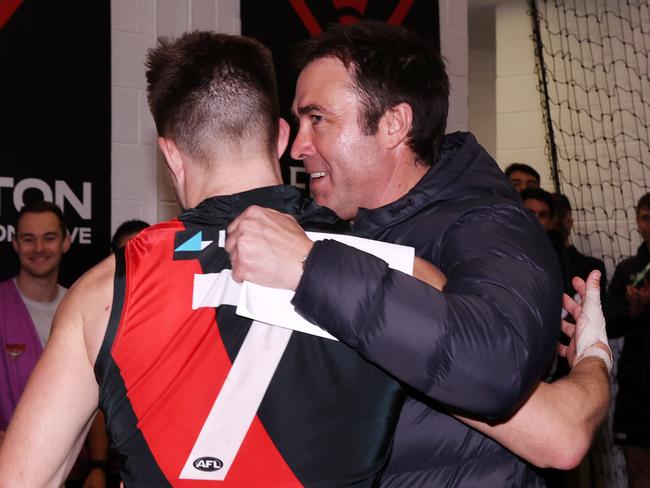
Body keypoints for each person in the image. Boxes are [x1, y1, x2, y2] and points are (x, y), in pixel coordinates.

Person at [0, 30, 609, 487]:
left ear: (170, 153)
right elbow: (553, 433)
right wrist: (592, 361)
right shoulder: (396, 272)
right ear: (281, 138)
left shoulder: (104, 290)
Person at [225, 21, 610, 486]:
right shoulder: (342, 228)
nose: (300, 147)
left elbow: (495, 369)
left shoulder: (488, 225)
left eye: (318, 119)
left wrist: (311, 267)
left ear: (393, 125)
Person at [0, 201, 69, 438]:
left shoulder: (81, 306)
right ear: (15, 244)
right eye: (28, 239)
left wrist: (97, 465)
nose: (39, 248)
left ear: (65, 242)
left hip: (73, 465)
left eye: (49, 238)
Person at [607, 192, 650, 487]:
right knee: (637, 470)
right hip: (638, 385)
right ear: (637, 222)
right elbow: (609, 326)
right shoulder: (627, 270)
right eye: (647, 217)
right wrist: (633, 309)